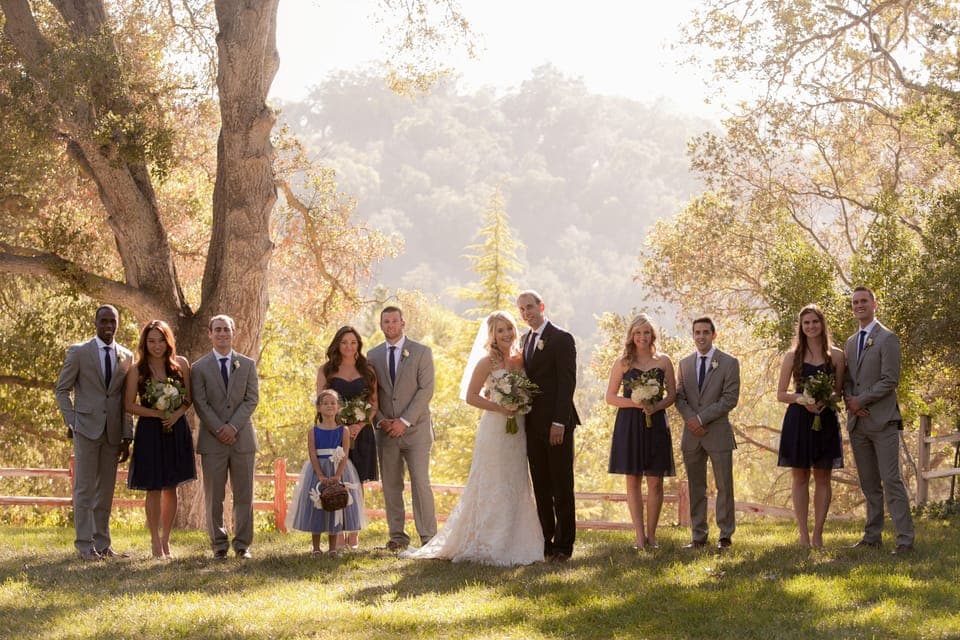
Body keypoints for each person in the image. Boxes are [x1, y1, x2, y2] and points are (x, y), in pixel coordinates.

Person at [403, 311, 543, 565]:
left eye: (509, 328)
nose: (506, 334)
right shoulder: (487, 362)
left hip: (518, 429)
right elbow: (471, 396)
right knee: (493, 480)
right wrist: (500, 407)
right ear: (492, 335)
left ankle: (516, 539)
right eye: (500, 330)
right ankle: (488, 540)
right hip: (495, 429)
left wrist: (520, 402)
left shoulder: (521, 359)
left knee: (516, 479)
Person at [54, 304, 134, 561]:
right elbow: (62, 390)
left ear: (117, 323)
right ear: (96, 322)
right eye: (104, 321)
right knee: (85, 489)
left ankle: (102, 544)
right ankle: (84, 545)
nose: (108, 326)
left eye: (113, 321)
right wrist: (73, 422)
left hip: (113, 433)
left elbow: (126, 399)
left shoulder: (127, 356)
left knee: (106, 491)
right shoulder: (79, 352)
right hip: (86, 429)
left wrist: (127, 435)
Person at [843, 286, 915, 555]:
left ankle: (905, 539)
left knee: (891, 480)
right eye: (855, 302)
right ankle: (872, 536)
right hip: (858, 423)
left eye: (864, 301)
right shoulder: (851, 342)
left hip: (883, 421)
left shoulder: (887, 338)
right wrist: (851, 401)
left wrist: (862, 400)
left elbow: (890, 380)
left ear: (874, 305)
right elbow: (847, 380)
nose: (859, 305)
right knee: (869, 483)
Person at [124, 320, 197, 559]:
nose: (157, 346)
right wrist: (156, 413)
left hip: (175, 429)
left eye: (161, 341)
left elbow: (189, 398)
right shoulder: (137, 370)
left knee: (171, 486)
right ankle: (155, 540)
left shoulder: (181, 364)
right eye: (151, 341)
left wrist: (175, 414)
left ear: (168, 342)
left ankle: (166, 540)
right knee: (153, 487)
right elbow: (128, 405)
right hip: (149, 432)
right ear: (144, 343)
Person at [517, 290, 580, 561]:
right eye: (522, 309)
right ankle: (546, 541)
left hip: (557, 424)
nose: (526, 313)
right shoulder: (524, 340)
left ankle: (564, 545)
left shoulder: (562, 338)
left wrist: (559, 422)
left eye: (530, 307)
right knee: (541, 486)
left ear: (541, 306)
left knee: (561, 485)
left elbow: (567, 383)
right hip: (532, 424)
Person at [368, 306, 438, 551]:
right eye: (386, 321)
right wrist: (381, 420)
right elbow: (370, 393)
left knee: (421, 483)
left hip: (416, 430)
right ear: (381, 325)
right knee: (391, 486)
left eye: (394, 321)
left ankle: (428, 537)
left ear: (403, 323)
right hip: (386, 431)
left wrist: (404, 421)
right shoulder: (372, 356)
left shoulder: (421, 352)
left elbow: (426, 390)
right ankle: (397, 538)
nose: (390, 325)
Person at [605, 314, 676, 550]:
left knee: (655, 482)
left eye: (646, 332)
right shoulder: (623, 362)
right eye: (638, 333)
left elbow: (672, 395)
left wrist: (655, 406)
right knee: (633, 480)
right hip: (629, 424)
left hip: (656, 423)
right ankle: (639, 537)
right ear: (632, 336)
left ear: (652, 335)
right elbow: (610, 397)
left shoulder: (663, 361)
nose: (642, 337)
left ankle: (652, 537)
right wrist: (636, 403)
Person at [776, 305, 845, 549]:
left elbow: (838, 391)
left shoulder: (837, 356)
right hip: (799, 419)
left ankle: (818, 534)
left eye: (815, 321)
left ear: (822, 324)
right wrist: (802, 399)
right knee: (800, 476)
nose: (811, 326)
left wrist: (826, 399)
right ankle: (803, 535)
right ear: (801, 327)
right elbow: (781, 394)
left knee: (823, 476)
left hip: (825, 419)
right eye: (806, 323)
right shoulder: (792, 356)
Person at [191, 314, 260, 559]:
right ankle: (219, 545)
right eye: (217, 329)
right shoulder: (199, 368)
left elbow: (251, 399)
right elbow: (200, 402)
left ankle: (242, 544)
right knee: (214, 497)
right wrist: (220, 428)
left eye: (226, 329)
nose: (222, 334)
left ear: (233, 332)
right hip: (212, 441)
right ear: (210, 334)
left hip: (243, 439)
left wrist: (233, 427)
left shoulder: (247, 364)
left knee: (244, 495)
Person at [675, 316, 740, 551]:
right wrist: (691, 420)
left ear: (714, 335)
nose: (701, 336)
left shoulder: (729, 363)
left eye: (705, 332)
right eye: (697, 332)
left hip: (718, 433)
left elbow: (730, 399)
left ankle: (725, 535)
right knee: (696, 487)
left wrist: (701, 419)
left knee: (724, 486)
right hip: (692, 435)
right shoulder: (684, 364)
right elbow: (679, 397)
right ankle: (698, 536)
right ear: (693, 335)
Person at [315, 325, 378, 550]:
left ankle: (354, 533)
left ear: (358, 345)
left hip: (361, 433)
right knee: (337, 480)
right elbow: (321, 401)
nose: (349, 347)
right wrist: (340, 425)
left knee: (356, 483)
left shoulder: (368, 370)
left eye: (353, 342)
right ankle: (338, 534)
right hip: (334, 433)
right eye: (344, 342)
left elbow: (374, 403)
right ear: (337, 345)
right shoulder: (326, 370)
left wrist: (359, 424)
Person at [287, 389, 366, 555]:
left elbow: (345, 454)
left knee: (335, 503)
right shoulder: (313, 431)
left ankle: (332, 548)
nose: (329, 406)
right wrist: (320, 474)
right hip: (318, 470)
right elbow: (312, 454)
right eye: (325, 403)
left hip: (338, 469)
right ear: (318, 407)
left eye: (333, 403)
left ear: (338, 407)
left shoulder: (344, 430)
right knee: (317, 505)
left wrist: (338, 475)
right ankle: (316, 548)